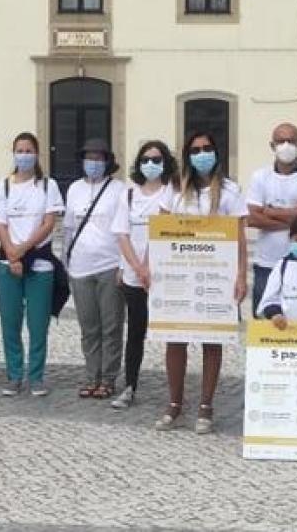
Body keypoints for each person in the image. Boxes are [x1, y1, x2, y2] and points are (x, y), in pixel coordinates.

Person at [155, 131, 248, 435]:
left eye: (207, 148)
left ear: (217, 152)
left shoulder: (231, 191)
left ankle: (206, 406)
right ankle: (175, 403)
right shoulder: (174, 189)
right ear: (187, 155)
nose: (202, 154)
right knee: (175, 339)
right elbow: (162, 229)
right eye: (196, 150)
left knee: (212, 340)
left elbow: (240, 237)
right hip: (179, 274)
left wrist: (241, 275)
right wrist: (151, 267)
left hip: (216, 275)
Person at [0, 132, 64, 396]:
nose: (24, 155)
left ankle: (37, 376)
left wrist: (22, 250)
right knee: (10, 321)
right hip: (8, 265)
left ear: (37, 154)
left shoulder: (47, 186)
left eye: (29, 150)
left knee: (38, 322)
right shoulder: (3, 186)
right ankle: (14, 374)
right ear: (13, 153)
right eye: (20, 150)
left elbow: (48, 223)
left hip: (39, 263)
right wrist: (11, 254)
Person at [109, 140, 178, 409]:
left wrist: (149, 266)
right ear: (139, 163)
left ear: (166, 163)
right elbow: (121, 234)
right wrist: (135, 267)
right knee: (135, 332)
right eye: (146, 159)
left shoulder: (171, 194)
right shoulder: (128, 195)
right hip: (133, 275)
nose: (151, 164)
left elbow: (162, 231)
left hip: (162, 275)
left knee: (170, 334)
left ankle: (174, 393)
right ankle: (129, 386)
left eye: (157, 159)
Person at [64, 138, 125, 400]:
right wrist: (66, 261)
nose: (94, 163)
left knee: (111, 326)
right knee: (88, 327)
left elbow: (124, 229)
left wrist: (124, 264)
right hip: (80, 267)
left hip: (110, 264)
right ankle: (92, 376)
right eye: (89, 158)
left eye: (99, 158)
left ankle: (109, 378)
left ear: (107, 162)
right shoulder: (74, 189)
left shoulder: (119, 189)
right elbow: (68, 228)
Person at [246, 123, 297, 318]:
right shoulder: (260, 177)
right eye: (281, 141)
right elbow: (252, 218)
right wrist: (296, 218)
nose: (286, 145)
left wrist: (270, 211)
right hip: (267, 263)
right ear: (272, 146)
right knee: (264, 324)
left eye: (291, 140)